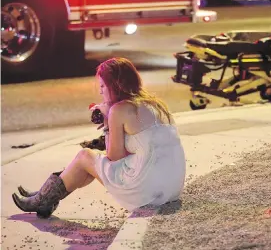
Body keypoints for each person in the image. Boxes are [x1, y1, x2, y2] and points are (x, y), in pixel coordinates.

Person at [12, 57, 186, 218]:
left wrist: (108, 121)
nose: (100, 91)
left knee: (85, 157)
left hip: (147, 190)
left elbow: (114, 159)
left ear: (115, 85)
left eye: (102, 86)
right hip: (171, 187)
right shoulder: (155, 104)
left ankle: (43, 199)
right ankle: (44, 198)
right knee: (89, 164)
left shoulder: (119, 110)